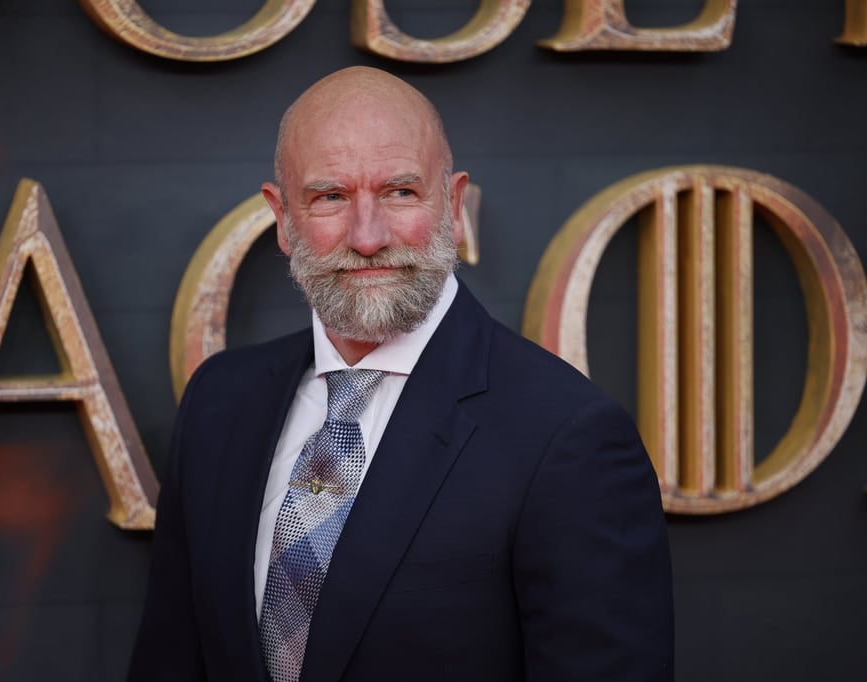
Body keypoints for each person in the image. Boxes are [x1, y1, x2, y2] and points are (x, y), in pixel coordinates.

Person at [128, 66, 674, 681]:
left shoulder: (566, 436)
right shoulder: (219, 402)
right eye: (331, 196)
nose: (367, 237)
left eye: (400, 193)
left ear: (453, 204)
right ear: (282, 218)